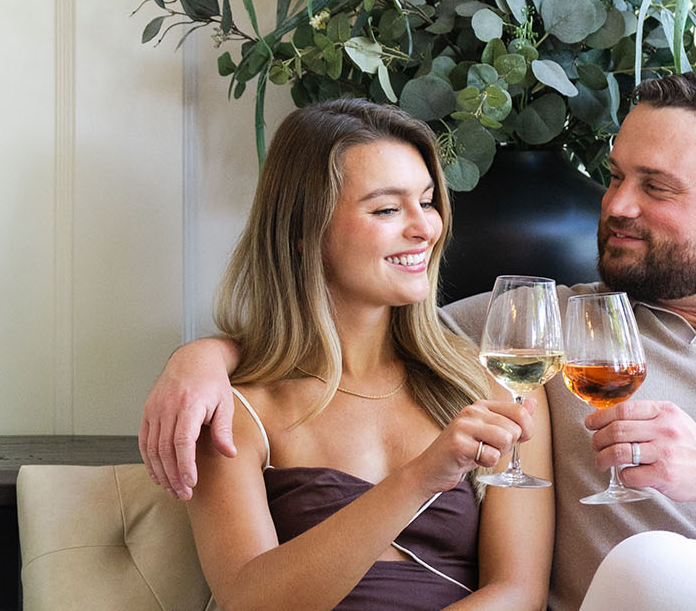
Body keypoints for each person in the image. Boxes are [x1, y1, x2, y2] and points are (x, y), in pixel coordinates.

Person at [141, 73, 696, 611]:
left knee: (658, 566)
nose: (616, 205)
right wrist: (202, 359)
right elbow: (358, 329)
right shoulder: (528, 331)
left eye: (656, 187)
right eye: (615, 176)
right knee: (648, 569)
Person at [179, 98, 554, 610]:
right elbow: (248, 602)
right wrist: (420, 478)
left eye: (427, 202)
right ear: (302, 231)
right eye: (387, 209)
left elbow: (518, 592)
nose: (425, 228)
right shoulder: (234, 411)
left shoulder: (491, 384)